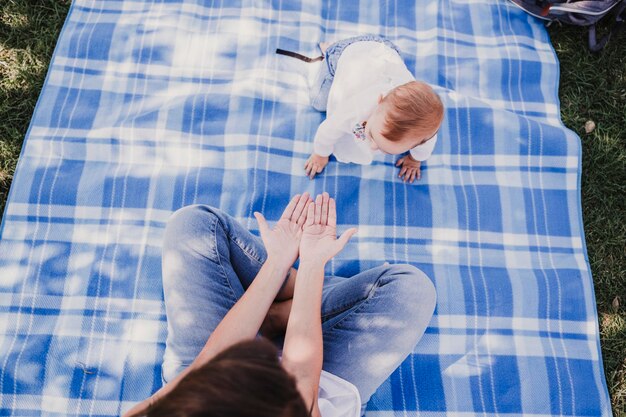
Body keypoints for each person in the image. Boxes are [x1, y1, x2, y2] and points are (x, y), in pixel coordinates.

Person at [123, 192, 436, 417]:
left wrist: (278, 261)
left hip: (203, 377)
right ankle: (288, 304)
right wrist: (313, 263)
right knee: (411, 289)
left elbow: (211, 359)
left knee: (194, 224)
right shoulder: (292, 400)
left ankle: (273, 313)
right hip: (311, 389)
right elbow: (302, 374)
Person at [298, 35, 444, 183]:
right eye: (373, 136)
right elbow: (327, 131)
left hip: (388, 53)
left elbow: (425, 146)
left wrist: (415, 160)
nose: (373, 147)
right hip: (347, 52)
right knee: (318, 102)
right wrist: (320, 154)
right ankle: (330, 50)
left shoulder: (424, 133)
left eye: (385, 150)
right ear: (379, 102)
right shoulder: (356, 107)